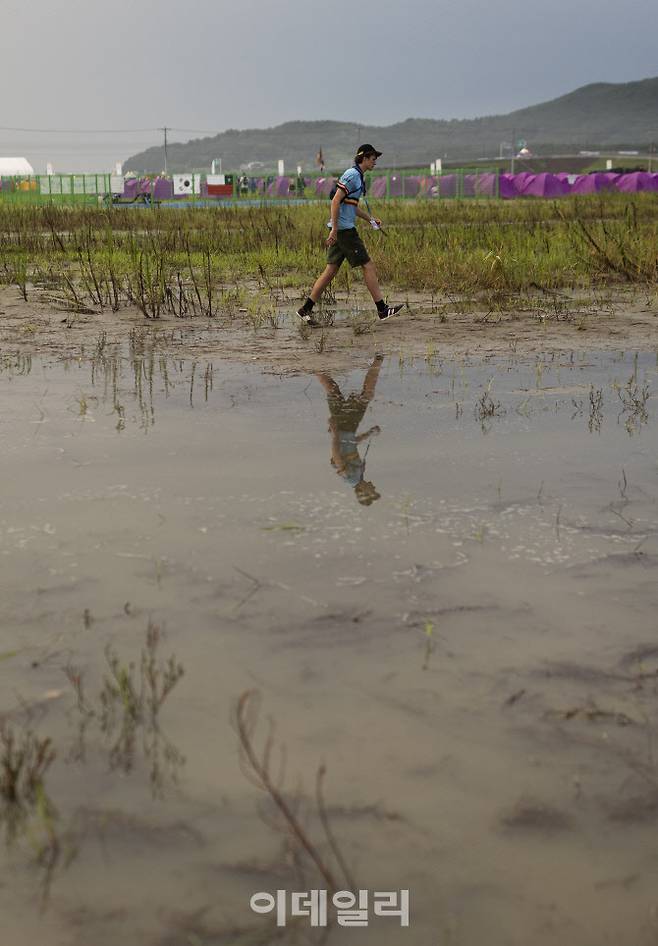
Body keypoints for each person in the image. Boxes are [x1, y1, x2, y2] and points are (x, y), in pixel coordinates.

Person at [297, 144, 403, 327]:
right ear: (363, 158)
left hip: (342, 228)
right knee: (368, 266)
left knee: (330, 271)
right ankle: (382, 309)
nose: (375, 162)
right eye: (372, 158)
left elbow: (351, 206)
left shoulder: (358, 177)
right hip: (345, 231)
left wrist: (370, 219)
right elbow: (336, 201)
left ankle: (305, 309)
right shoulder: (353, 175)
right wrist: (335, 230)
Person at [316, 354, 384, 506]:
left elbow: (338, 459)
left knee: (366, 395)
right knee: (333, 391)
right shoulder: (358, 476)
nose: (373, 487)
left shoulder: (351, 478)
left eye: (372, 491)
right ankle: (313, 364)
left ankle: (379, 358)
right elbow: (350, 445)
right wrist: (368, 434)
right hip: (347, 429)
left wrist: (334, 434)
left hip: (345, 427)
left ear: (364, 492)